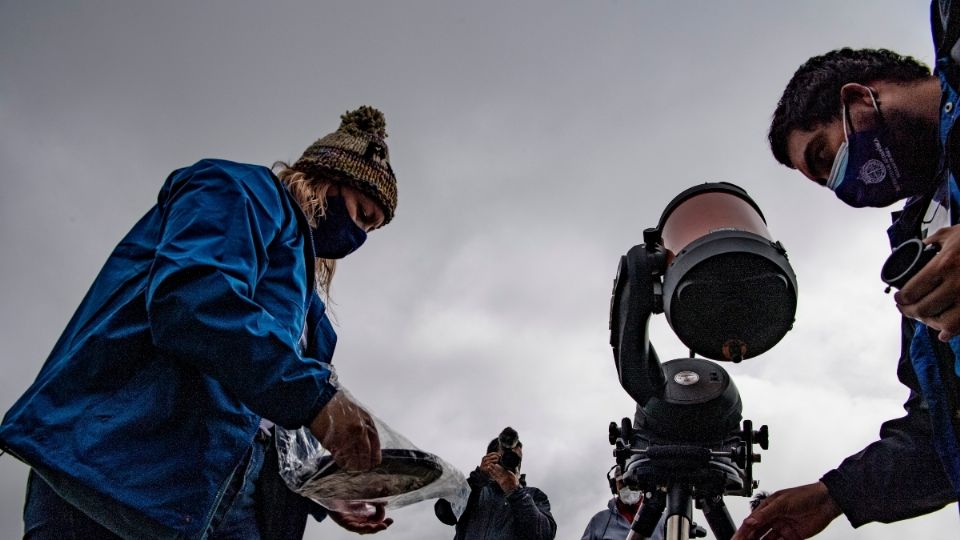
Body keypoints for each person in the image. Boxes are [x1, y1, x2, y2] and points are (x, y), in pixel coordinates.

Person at [0, 105, 401, 539]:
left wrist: (319, 489)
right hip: (121, 473)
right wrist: (317, 398)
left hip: (221, 501)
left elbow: (273, 421)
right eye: (362, 214)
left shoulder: (312, 317)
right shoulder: (239, 191)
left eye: (371, 231)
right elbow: (192, 299)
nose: (359, 237)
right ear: (328, 179)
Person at [733, 8, 960, 536]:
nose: (845, 188)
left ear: (859, 98)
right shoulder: (921, 241)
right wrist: (837, 494)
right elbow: (941, 432)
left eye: (824, 156)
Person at [449, 427, 557, 540]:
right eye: (506, 457)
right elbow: (445, 514)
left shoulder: (534, 495)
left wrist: (516, 493)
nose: (513, 463)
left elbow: (545, 535)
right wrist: (477, 478)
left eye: (517, 459)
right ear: (490, 459)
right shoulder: (476, 490)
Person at [579, 465, 664, 540]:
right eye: (622, 483)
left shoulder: (662, 519)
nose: (628, 487)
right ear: (614, 486)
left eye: (632, 483)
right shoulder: (599, 521)